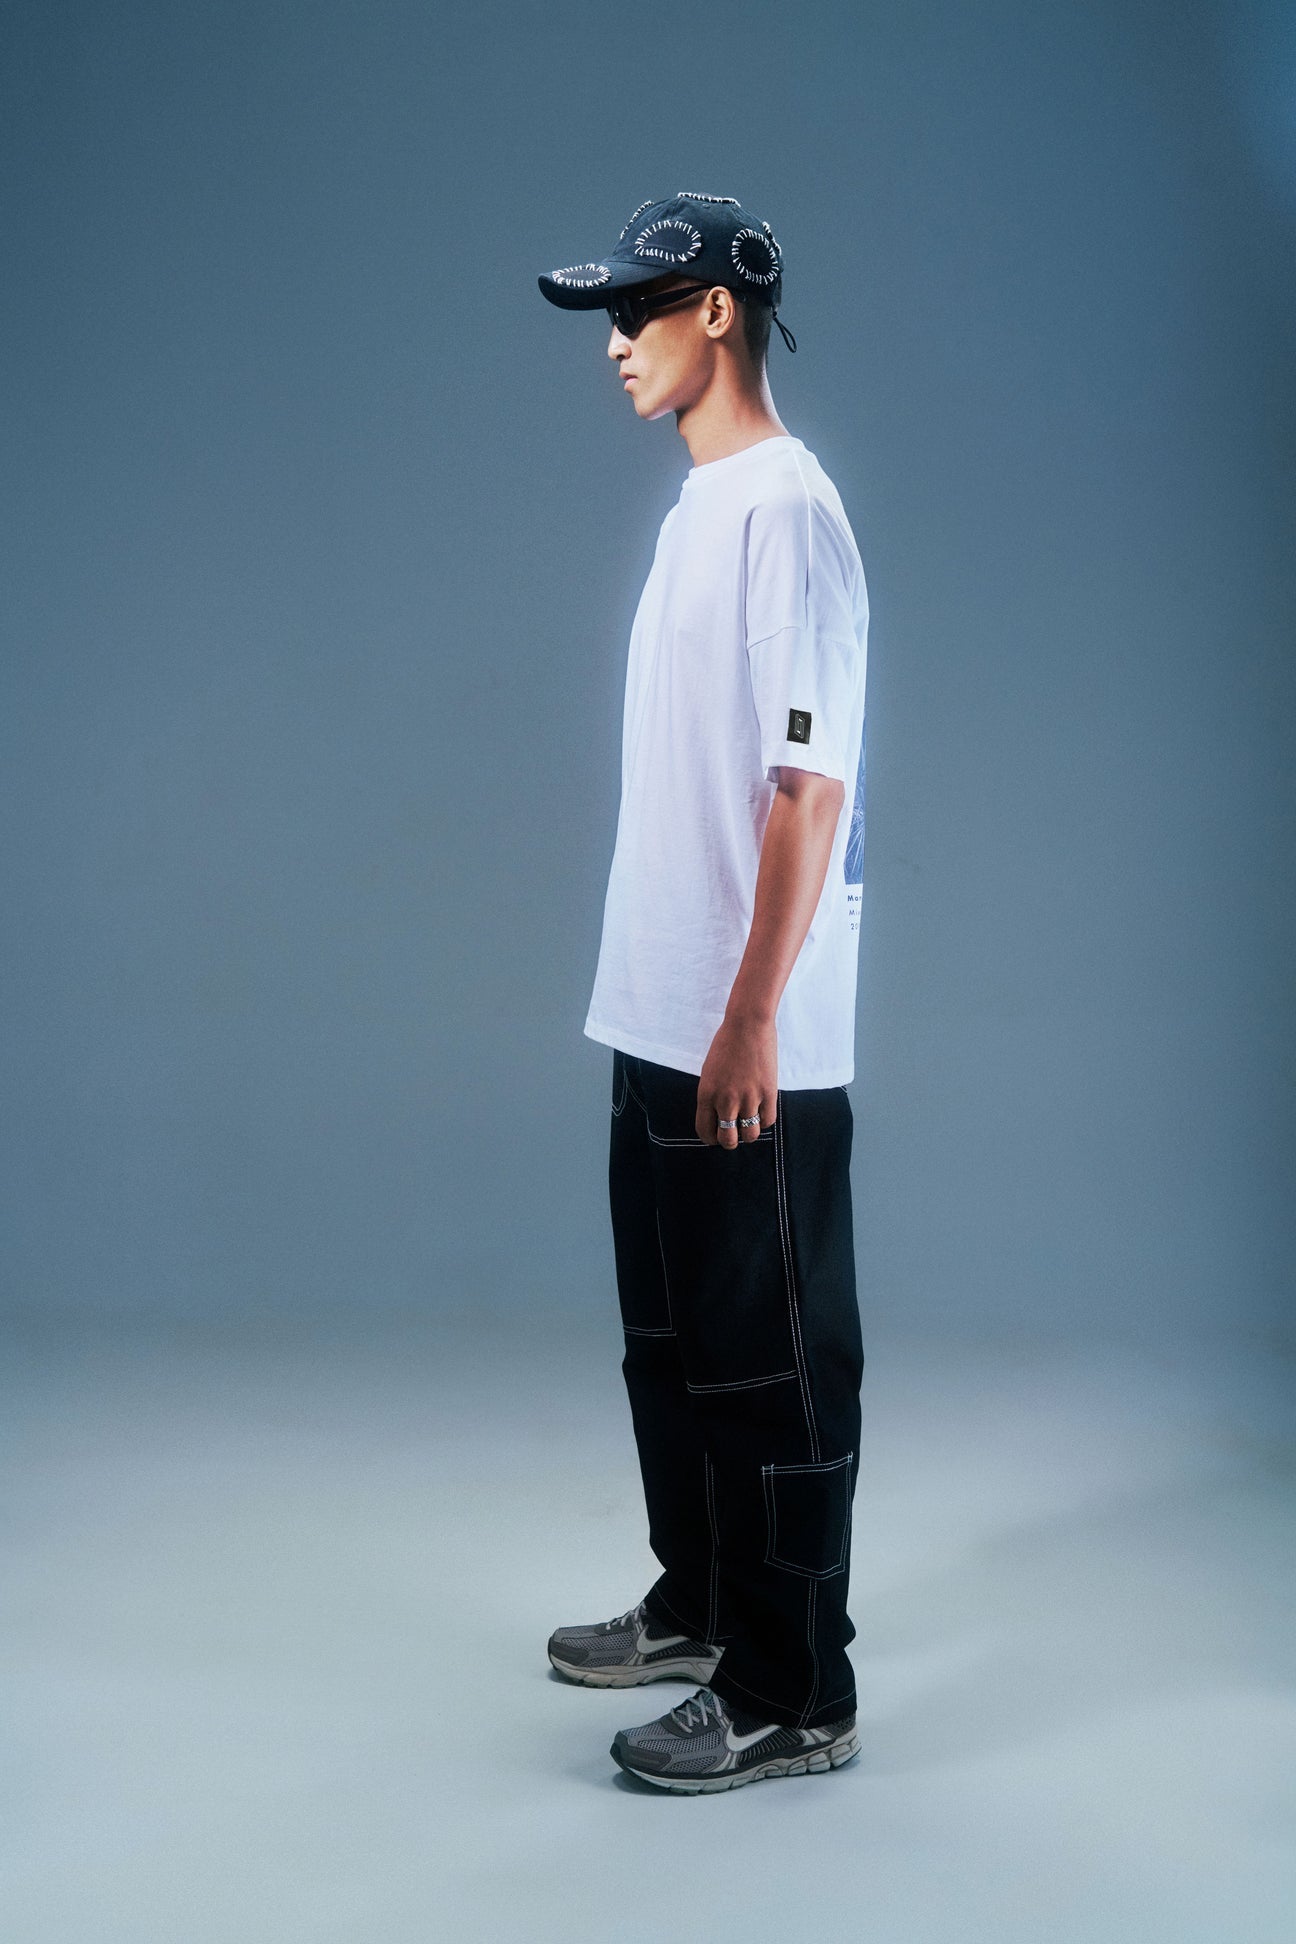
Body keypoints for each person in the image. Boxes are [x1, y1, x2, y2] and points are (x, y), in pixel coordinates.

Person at [536, 192, 870, 1794]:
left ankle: (796, 1687)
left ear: (716, 313)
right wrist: (678, 1010)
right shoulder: (700, 505)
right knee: (669, 1346)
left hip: (749, 1031)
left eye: (637, 312)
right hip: (658, 1007)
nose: (614, 345)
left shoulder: (787, 510)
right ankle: (702, 1605)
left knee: (772, 1362)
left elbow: (810, 788)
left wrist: (750, 1019)